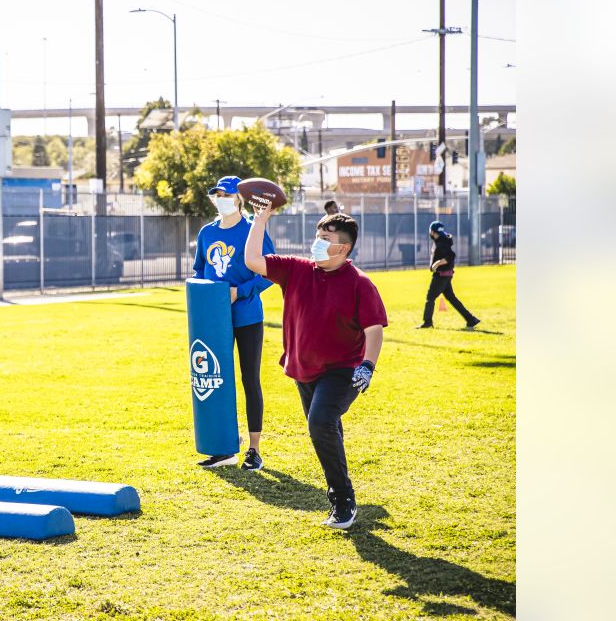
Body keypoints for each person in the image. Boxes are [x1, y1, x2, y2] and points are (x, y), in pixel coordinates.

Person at [244, 205, 387, 530]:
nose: (317, 243)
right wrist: (260, 219)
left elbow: (374, 329)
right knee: (324, 425)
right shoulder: (298, 269)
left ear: (343, 248)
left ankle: (343, 501)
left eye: (325, 238)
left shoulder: (359, 284)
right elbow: (252, 260)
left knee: (320, 422)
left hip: (344, 370)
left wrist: (368, 366)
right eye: (317, 236)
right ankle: (342, 494)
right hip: (303, 369)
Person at [191, 176, 276, 471]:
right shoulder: (206, 233)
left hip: (247, 316)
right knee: (217, 381)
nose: (221, 198)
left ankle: (253, 449)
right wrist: (205, 299)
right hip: (214, 321)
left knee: (249, 379)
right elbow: (200, 271)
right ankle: (223, 446)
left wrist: (240, 291)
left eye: (227, 193)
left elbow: (269, 270)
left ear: (239, 198)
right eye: (217, 194)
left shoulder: (252, 229)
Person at [418, 221, 481, 329]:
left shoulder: (441, 243)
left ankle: (427, 322)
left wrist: (437, 264)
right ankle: (471, 319)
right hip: (446, 275)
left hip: (440, 276)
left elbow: (451, 256)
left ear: (433, 232)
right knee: (452, 298)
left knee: (430, 298)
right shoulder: (442, 241)